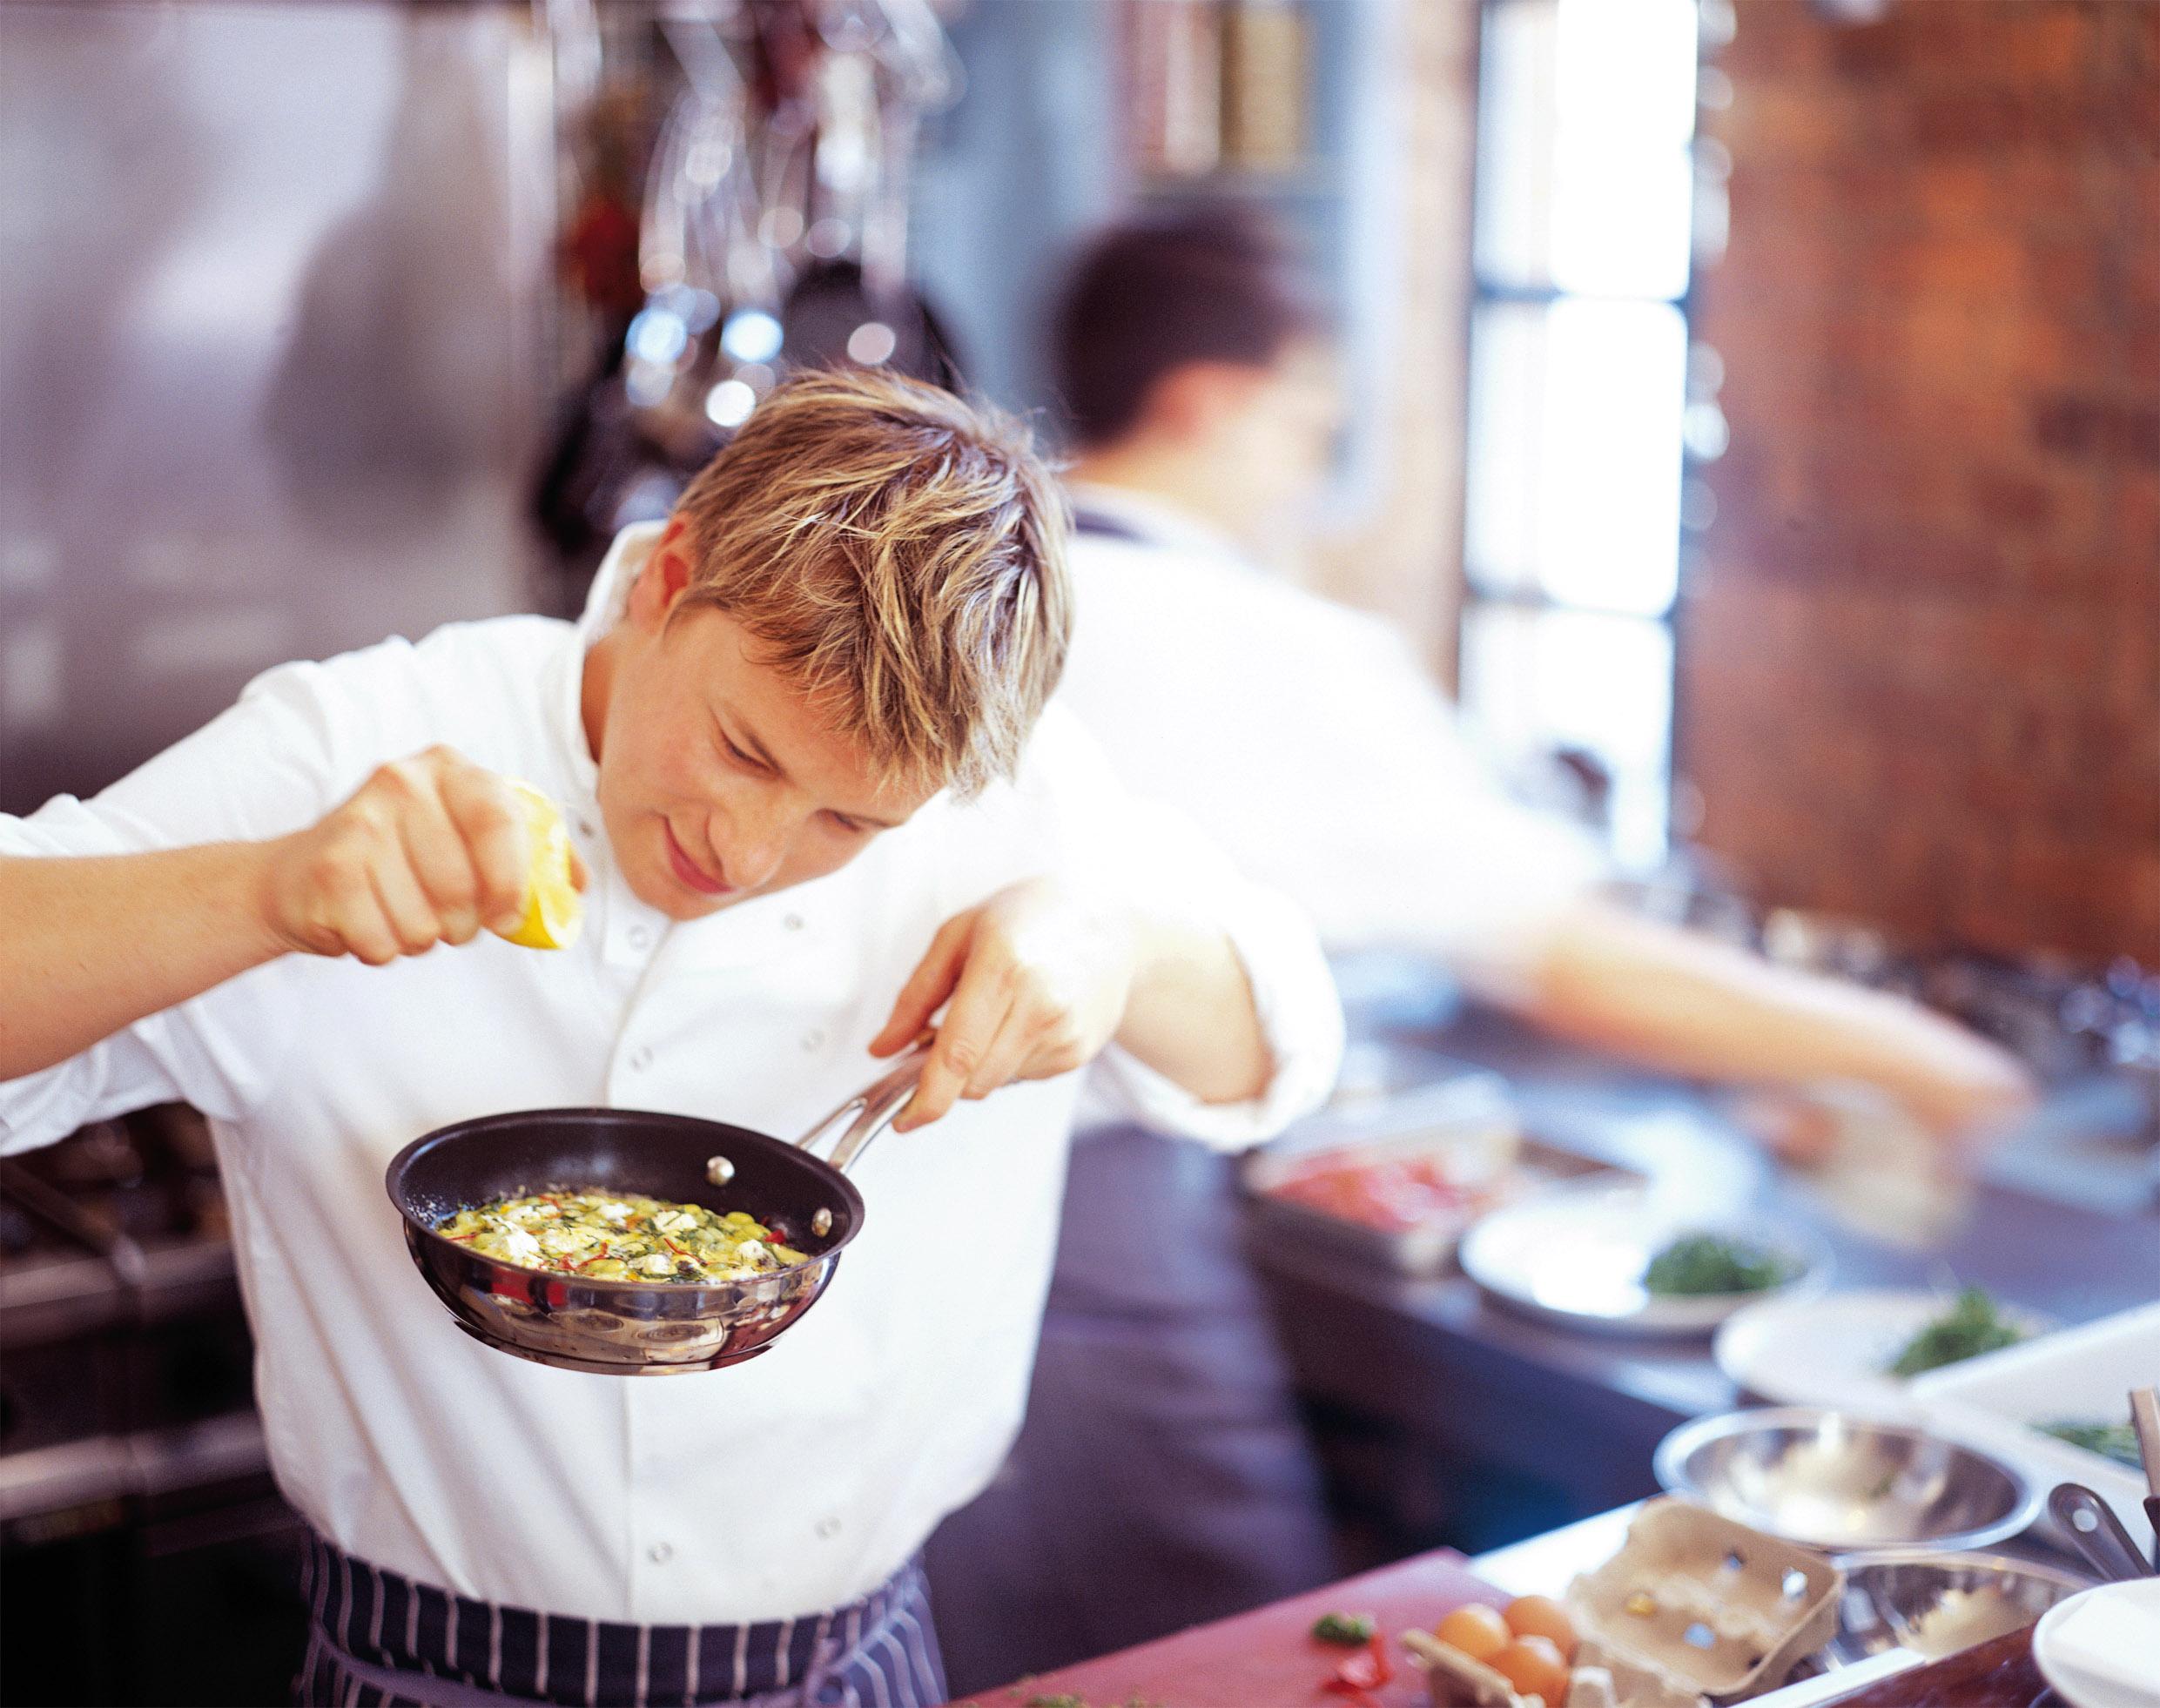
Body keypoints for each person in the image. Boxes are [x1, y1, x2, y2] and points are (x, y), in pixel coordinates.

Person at [0, 368, 1343, 1707]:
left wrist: (1117, 947)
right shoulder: (359, 746)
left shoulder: (1021, 798)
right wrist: (260, 889)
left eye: (848, 825)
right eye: (744, 749)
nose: (749, 853)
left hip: (846, 1666)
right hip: (428, 1674)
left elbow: (1272, 1050)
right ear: (667, 578)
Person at [922, 205, 2036, 1691]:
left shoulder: (954, 564)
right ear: (1212, 401)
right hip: (1089, 1259)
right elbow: (1569, 954)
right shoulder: (1245, 636)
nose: (1309, 465)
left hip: (891, 1216)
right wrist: (1912, 1054)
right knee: (1255, 1656)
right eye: (1308, 418)